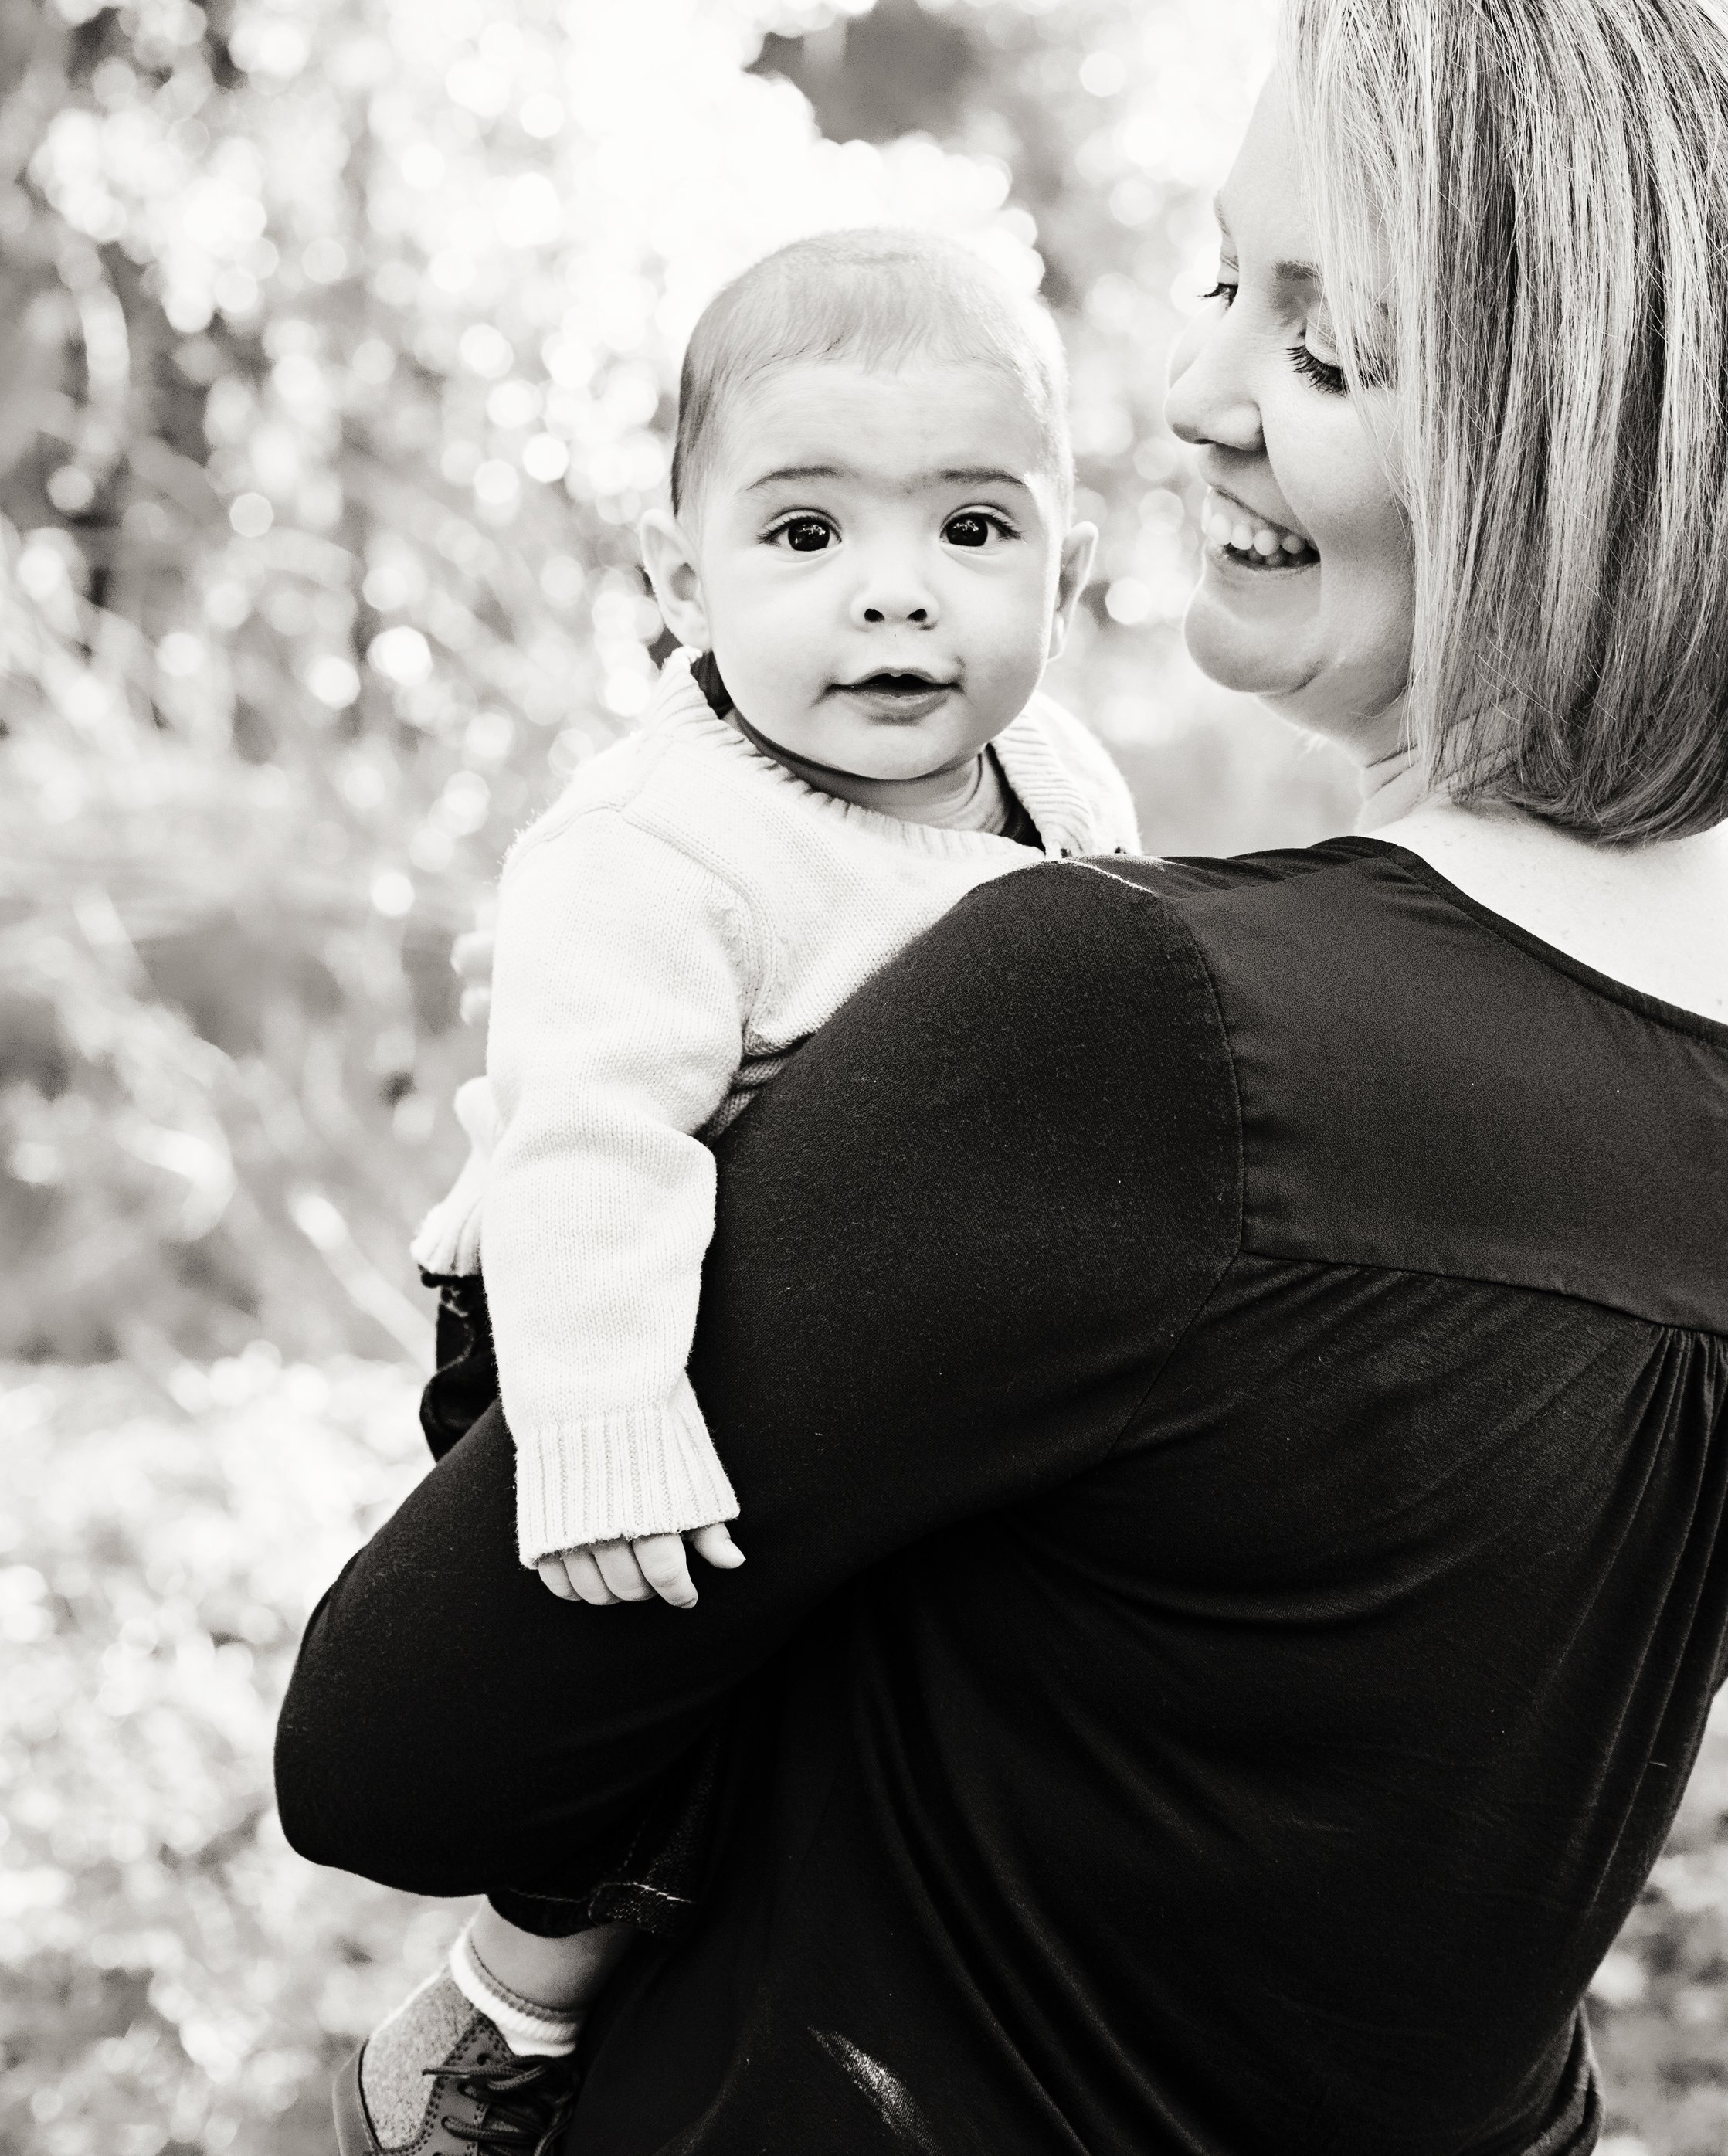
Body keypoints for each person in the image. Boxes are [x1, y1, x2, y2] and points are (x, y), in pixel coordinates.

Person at [277, 0, 1728, 2156]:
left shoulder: (1138, 1022)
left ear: (1586, 451)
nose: (1190, 395)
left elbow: (391, 1748)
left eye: (1329, 350)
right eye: (1223, 280)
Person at [338, 227, 1139, 2119]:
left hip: (806, 1310)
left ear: (1069, 571)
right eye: (803, 538)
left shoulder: (1064, 786)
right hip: (587, 1312)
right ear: (674, 578)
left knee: (838, 1692)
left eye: (971, 532)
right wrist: (597, 1420)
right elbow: (588, 1151)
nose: (894, 603)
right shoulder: (652, 846)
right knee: (661, 1691)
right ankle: (500, 2010)